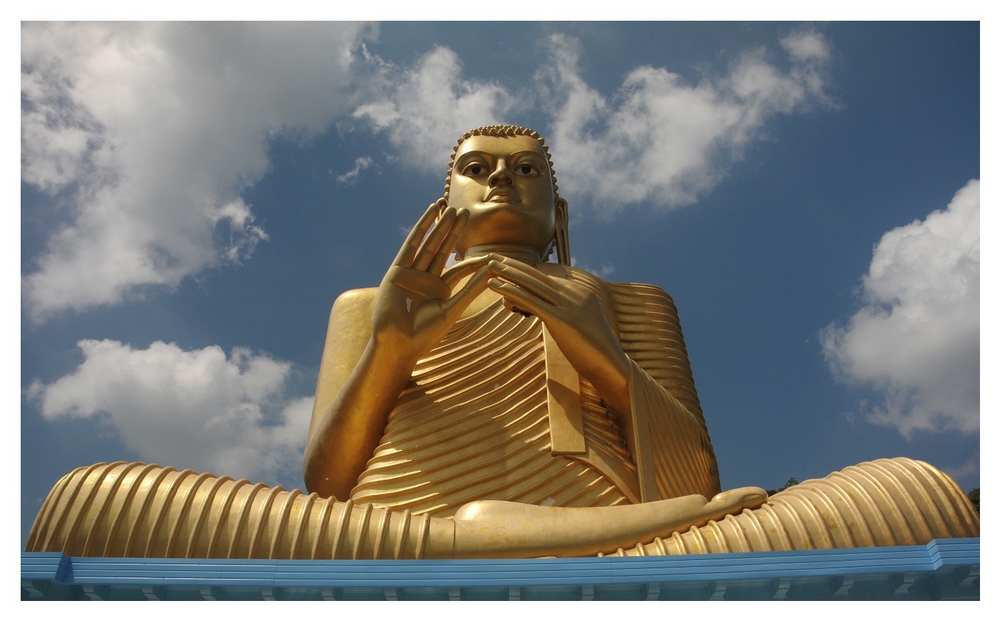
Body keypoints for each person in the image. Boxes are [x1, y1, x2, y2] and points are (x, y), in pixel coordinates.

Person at [26, 126, 978, 560]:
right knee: (95, 498)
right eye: (477, 170)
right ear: (447, 197)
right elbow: (327, 484)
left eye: (526, 172)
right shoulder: (375, 301)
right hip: (386, 542)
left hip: (645, 542)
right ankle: (483, 548)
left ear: (556, 208)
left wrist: (597, 342)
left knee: (911, 492)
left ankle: (519, 550)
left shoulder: (628, 297)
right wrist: (393, 347)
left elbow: (686, 487)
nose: (501, 182)